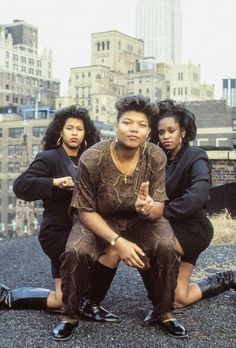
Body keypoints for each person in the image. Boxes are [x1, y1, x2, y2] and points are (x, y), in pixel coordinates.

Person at [52, 95, 187, 341]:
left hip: (140, 220)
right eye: (127, 122)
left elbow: (158, 209)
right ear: (116, 126)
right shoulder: (92, 158)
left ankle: (164, 311)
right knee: (75, 251)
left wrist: (148, 208)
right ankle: (70, 314)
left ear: (148, 131)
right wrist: (118, 241)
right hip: (98, 219)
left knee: (167, 245)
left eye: (141, 125)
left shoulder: (156, 156)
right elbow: (85, 210)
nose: (134, 129)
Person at [141, 99, 236, 326]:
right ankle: (229, 278)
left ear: (182, 132)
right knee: (179, 298)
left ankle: (158, 302)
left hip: (192, 229)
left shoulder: (196, 156)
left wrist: (161, 211)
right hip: (167, 226)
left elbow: (199, 194)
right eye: (161, 131)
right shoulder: (156, 161)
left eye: (171, 131)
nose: (166, 136)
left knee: (146, 248)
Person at [0, 105, 100, 311]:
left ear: (86, 133)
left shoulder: (91, 159)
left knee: (70, 298)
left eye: (79, 129)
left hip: (87, 231)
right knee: (65, 301)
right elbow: (21, 186)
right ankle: (8, 297)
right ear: (60, 131)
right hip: (58, 233)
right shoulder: (50, 157)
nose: (74, 133)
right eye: (69, 128)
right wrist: (53, 183)